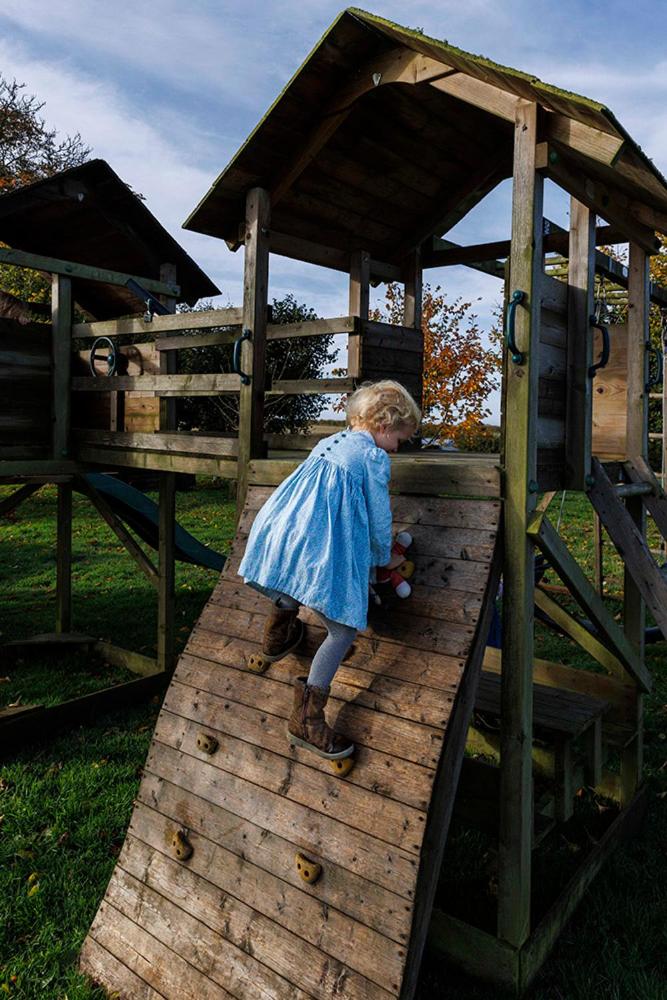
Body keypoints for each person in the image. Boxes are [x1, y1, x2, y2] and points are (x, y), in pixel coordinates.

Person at [238, 379, 421, 761]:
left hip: (284, 528)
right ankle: (307, 718)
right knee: (342, 629)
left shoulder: (329, 443)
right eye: (401, 438)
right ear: (385, 426)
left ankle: (277, 635)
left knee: (291, 576)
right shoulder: (372, 458)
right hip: (315, 542)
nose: (399, 447)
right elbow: (376, 515)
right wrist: (381, 554)